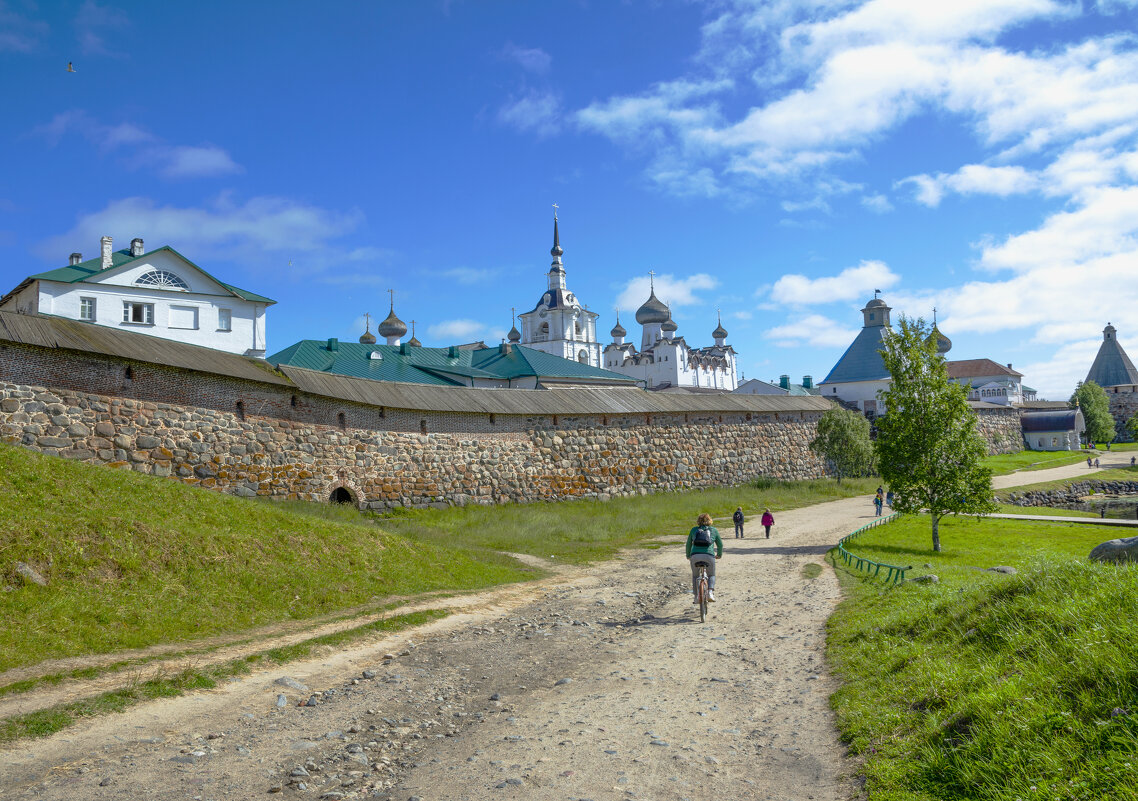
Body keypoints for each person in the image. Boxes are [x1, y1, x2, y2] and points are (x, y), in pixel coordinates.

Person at [686, 513, 723, 603]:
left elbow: (688, 544)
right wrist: (719, 555)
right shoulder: (714, 530)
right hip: (709, 555)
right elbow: (720, 545)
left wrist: (688, 556)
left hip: (695, 555)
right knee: (711, 575)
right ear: (710, 520)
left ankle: (696, 597)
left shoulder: (694, 530)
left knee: (695, 576)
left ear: (698, 521)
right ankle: (710, 592)